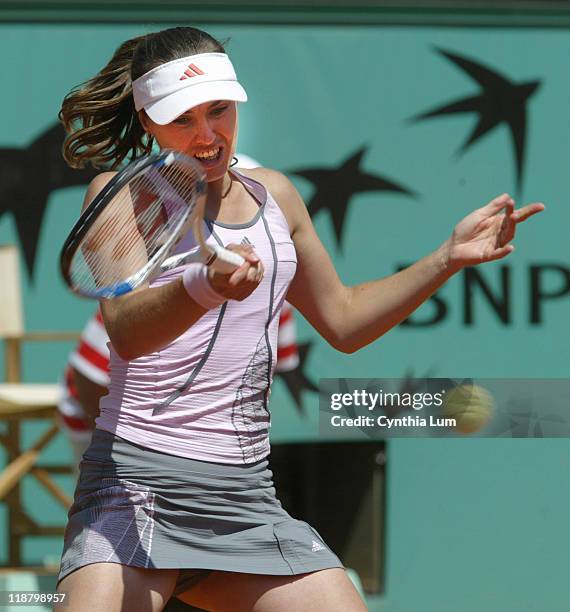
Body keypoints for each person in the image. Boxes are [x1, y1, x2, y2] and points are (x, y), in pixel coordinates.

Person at [55, 27, 544, 612]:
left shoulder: (278, 196)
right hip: (133, 484)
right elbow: (127, 331)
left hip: (242, 493)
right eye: (183, 119)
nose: (207, 136)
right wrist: (201, 286)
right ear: (148, 120)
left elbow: (343, 322)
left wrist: (446, 258)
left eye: (219, 110)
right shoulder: (117, 196)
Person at [57, 301, 300, 477]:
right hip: (106, 426)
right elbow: (87, 376)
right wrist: (120, 451)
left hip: (200, 448)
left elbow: (265, 378)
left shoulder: (277, 294)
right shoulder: (160, 280)